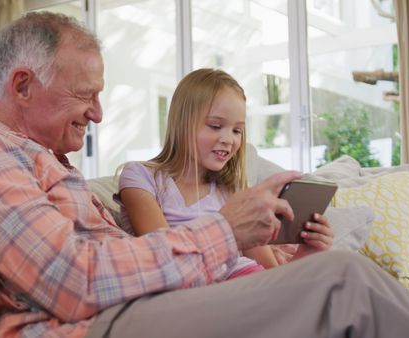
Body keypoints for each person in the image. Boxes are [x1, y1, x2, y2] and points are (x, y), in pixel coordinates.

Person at [0, 11, 409, 338]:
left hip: (130, 307)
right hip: (91, 324)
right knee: (344, 285)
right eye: (85, 95)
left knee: (336, 277)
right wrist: (225, 231)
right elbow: (73, 280)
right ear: (22, 85)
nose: (98, 114)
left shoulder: (46, 161)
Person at [115, 68, 333, 279]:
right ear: (182, 122)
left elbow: (272, 276)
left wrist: (305, 253)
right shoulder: (140, 176)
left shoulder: (232, 190)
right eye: (215, 126)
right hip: (200, 292)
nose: (229, 140)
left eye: (237, 130)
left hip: (247, 279)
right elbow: (163, 257)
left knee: (338, 273)